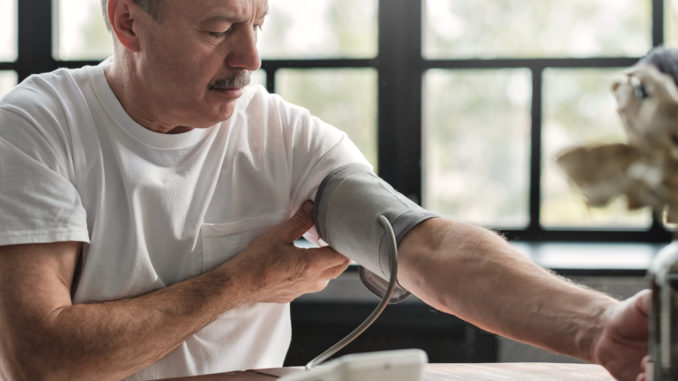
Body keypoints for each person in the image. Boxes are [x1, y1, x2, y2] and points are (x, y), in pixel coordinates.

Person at [0, 0, 650, 380]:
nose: (250, 58)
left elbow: (424, 246)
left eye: (259, 22)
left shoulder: (279, 133)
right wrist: (241, 280)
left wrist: (598, 327)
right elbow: (43, 357)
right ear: (127, 22)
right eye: (219, 28)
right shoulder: (36, 128)